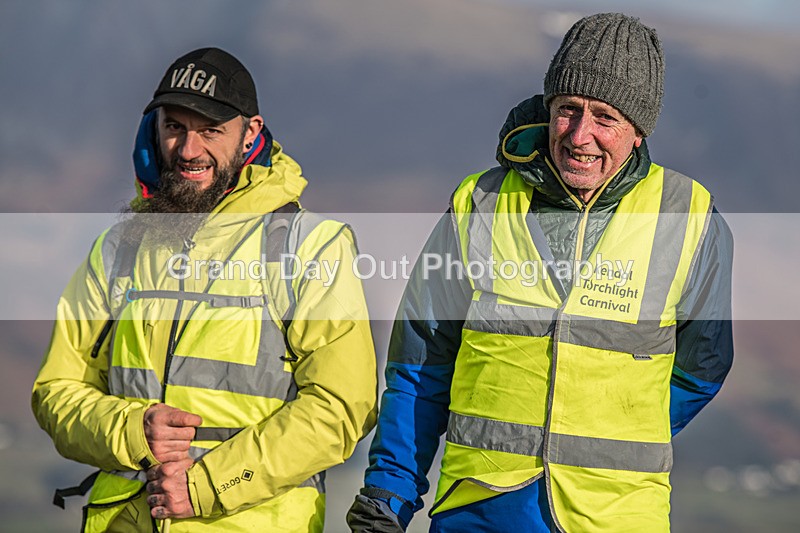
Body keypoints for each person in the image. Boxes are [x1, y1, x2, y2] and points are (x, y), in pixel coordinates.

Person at [347, 13, 733, 532]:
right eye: (568, 110)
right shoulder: (479, 202)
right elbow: (422, 362)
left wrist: (611, 434)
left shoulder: (689, 216)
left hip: (615, 517)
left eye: (605, 117)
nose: (580, 135)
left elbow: (702, 368)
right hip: (479, 509)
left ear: (638, 131)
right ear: (548, 110)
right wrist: (389, 491)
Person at [32, 47, 377, 532]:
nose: (189, 150)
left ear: (251, 133)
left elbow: (341, 408)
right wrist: (130, 430)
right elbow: (55, 392)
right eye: (174, 126)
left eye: (211, 130)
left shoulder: (312, 247)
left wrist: (207, 485)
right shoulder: (117, 249)